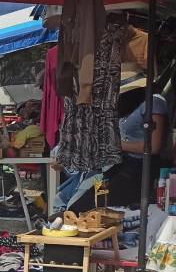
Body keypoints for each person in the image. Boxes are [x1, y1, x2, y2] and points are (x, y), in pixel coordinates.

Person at [69, 82, 169, 211]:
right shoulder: (128, 103)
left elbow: (154, 146)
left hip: (142, 170)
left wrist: (116, 145)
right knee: (83, 201)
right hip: (123, 164)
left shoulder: (154, 102)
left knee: (89, 205)